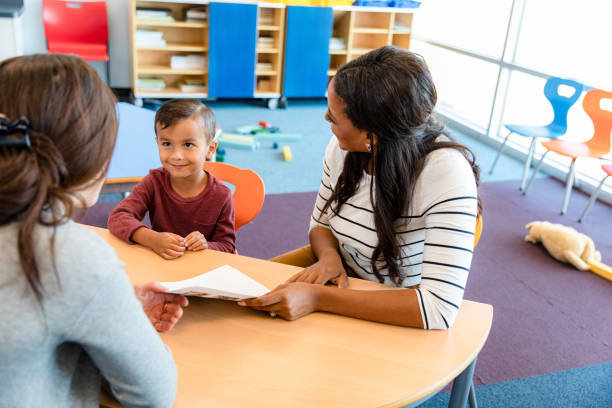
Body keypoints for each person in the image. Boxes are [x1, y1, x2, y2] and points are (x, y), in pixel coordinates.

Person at [240, 46, 480, 330]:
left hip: (398, 305)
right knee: (246, 308)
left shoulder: (445, 172)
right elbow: (320, 224)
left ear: (373, 135)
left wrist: (319, 298)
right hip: (342, 279)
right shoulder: (343, 147)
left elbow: (437, 309)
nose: (325, 119)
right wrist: (329, 258)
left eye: (334, 116)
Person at [0, 54, 188, 407]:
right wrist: (111, 307)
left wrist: (106, 304)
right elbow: (152, 394)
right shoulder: (70, 255)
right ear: (94, 155)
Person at [108, 99, 236, 259]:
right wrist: (152, 239)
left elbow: (227, 246)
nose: (176, 156)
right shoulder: (153, 182)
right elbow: (118, 217)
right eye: (167, 143)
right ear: (157, 143)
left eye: (188, 145)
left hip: (201, 269)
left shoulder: (222, 196)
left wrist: (206, 246)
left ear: (210, 149)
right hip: (161, 263)